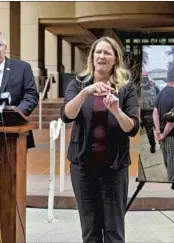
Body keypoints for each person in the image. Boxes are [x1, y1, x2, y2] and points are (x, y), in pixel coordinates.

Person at [60, 36, 139, 243]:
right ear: (92, 57)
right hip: (83, 166)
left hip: (114, 167)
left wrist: (116, 110)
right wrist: (86, 93)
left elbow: (132, 128)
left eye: (107, 53)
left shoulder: (126, 88)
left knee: (113, 230)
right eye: (98, 52)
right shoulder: (78, 84)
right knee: (90, 229)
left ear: (115, 59)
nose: (101, 56)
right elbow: (66, 115)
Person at [153, 65, 174, 184]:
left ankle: (173, 179)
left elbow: (155, 113)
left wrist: (158, 132)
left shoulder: (161, 92)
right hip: (172, 136)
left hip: (163, 134)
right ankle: (173, 183)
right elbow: (172, 121)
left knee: (170, 159)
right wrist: (164, 135)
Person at [140, 68, 160, 153]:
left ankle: (161, 144)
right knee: (149, 132)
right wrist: (140, 118)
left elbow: (160, 96)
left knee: (159, 130)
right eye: (143, 75)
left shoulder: (153, 85)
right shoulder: (138, 87)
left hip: (155, 111)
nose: (144, 76)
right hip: (145, 113)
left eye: (146, 75)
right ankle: (153, 146)